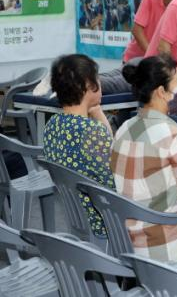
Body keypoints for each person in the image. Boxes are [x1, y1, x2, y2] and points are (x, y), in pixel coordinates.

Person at [110, 55, 177, 264]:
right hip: (167, 247)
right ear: (161, 92)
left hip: (129, 242)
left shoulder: (123, 129)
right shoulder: (173, 136)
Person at [43, 54, 115, 238]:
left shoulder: (52, 124)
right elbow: (115, 182)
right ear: (89, 85)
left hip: (78, 217)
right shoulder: (92, 132)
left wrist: (96, 111)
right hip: (105, 221)